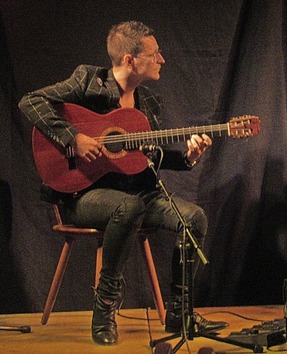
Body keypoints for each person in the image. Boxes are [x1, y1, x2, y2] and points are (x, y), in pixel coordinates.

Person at [19, 21, 220, 345]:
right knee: (127, 208)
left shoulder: (149, 104)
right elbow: (31, 101)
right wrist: (76, 137)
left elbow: (148, 157)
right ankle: (104, 310)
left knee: (194, 217)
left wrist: (189, 157)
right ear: (129, 59)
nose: (162, 60)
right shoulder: (89, 80)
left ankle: (180, 313)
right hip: (84, 192)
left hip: (141, 193)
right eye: (154, 54)